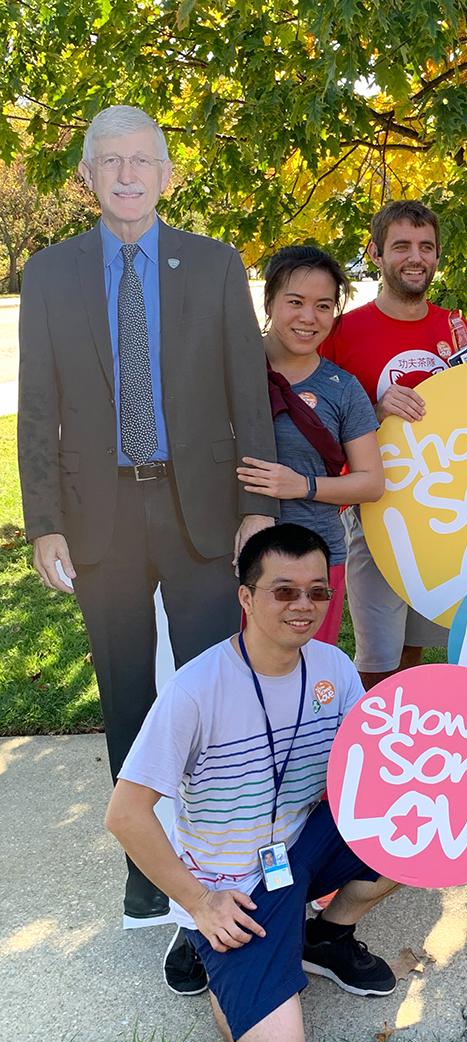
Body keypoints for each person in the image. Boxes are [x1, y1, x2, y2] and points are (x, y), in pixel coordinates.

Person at [106, 523, 467, 1042]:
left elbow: (398, 772)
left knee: (423, 830)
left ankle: (325, 938)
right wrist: (200, 901)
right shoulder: (196, 689)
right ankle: (201, 939)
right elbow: (125, 815)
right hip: (233, 883)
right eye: (284, 590)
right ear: (246, 597)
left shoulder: (333, 666)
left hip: (303, 845)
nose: (303, 605)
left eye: (318, 591)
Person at [17, 106, 276, 927]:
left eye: (143, 161)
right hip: (101, 517)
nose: (127, 175)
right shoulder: (51, 273)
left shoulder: (213, 264)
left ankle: (218, 859)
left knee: (212, 691)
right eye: (110, 162)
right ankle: (147, 872)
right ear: (86, 177)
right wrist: (44, 523)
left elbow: (248, 394)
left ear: (168, 176)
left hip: (199, 509)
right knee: (127, 691)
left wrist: (257, 506)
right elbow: (37, 410)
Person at [319, 200, 467, 689]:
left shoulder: (452, 324)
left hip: (444, 508)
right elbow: (318, 420)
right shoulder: (342, 331)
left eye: (426, 247)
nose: (416, 257)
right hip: (376, 508)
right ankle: (374, 745)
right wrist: (376, 408)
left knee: (419, 639)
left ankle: (408, 741)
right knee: (378, 650)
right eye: (402, 245)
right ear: (376, 254)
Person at [236, 245, 383, 643]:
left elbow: (371, 482)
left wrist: (302, 485)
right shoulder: (230, 371)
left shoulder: (342, 388)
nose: (308, 317)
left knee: (307, 681)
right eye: (295, 302)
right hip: (237, 558)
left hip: (315, 564)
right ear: (269, 302)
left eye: (323, 306)